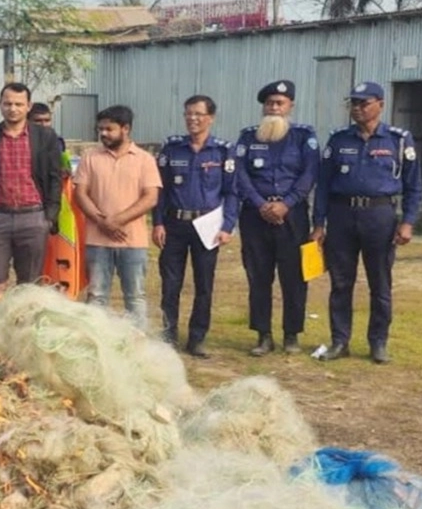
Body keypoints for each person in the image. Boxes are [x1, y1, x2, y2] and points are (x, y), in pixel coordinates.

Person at [312, 81, 422, 364]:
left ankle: (378, 343)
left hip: (380, 217)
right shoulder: (338, 140)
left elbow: (414, 185)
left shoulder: (398, 139)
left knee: (380, 284)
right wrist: (319, 224)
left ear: (380, 105)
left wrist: (408, 222)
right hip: (342, 215)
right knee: (340, 283)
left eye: (364, 103)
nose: (358, 108)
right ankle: (340, 341)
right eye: (354, 103)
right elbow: (323, 184)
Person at [234, 79, 319, 356]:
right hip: (255, 217)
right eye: (269, 103)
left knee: (294, 277)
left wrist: (287, 204)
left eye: (280, 103)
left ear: (290, 106)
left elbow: (309, 174)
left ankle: (291, 335)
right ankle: (263, 335)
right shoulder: (248, 137)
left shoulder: (304, 136)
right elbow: (240, 175)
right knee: (258, 277)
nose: (274, 107)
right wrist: (260, 205)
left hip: (292, 217)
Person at [152, 95, 238, 357]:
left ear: (210, 117)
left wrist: (228, 226)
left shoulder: (223, 151)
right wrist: (157, 223)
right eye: (188, 114)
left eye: (199, 114)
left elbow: (232, 192)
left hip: (207, 226)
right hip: (175, 223)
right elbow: (161, 190)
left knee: (204, 285)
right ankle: (168, 334)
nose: (193, 119)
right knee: (170, 283)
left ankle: (197, 338)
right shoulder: (172, 148)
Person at [0, 82, 63, 302]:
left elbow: (54, 177)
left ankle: (23, 332)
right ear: (0, 105)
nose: (13, 109)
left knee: (29, 288)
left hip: (33, 218)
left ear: (28, 106)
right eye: (8, 103)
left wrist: (50, 217)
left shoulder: (45, 137)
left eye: (19, 104)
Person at [73, 105, 161, 327]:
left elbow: (150, 197)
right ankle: (94, 346)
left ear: (126, 129)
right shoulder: (90, 157)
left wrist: (117, 221)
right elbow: (80, 193)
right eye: (100, 129)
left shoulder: (144, 159)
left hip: (132, 241)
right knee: (96, 297)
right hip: (96, 240)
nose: (103, 134)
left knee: (135, 297)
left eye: (109, 129)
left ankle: (139, 347)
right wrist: (102, 222)